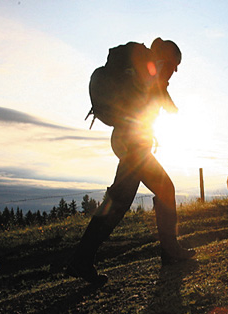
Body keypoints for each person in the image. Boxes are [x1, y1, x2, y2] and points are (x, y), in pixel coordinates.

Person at [67, 38, 195, 285]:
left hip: (127, 139)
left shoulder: (140, 65)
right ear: (167, 59)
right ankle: (81, 260)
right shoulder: (151, 66)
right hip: (132, 142)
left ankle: (82, 259)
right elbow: (158, 95)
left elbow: (151, 97)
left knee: (146, 193)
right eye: (173, 66)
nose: (171, 73)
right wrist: (171, 107)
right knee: (128, 198)